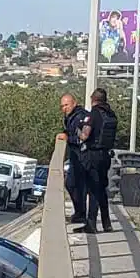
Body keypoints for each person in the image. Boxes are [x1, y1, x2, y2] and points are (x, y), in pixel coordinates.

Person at [76, 87, 118, 234]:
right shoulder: (111, 115)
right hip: (106, 156)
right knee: (101, 189)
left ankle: (91, 223)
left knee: (93, 189)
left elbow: (85, 135)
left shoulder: (93, 114)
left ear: (93, 99)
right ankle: (106, 223)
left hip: (93, 155)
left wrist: (77, 131)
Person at [58, 93, 91, 224]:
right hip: (75, 157)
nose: (64, 108)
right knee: (74, 184)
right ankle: (80, 213)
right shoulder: (70, 117)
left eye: (66, 105)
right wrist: (65, 134)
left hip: (83, 156)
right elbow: (71, 131)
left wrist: (68, 138)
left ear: (74, 103)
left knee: (75, 184)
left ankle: (81, 213)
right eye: (62, 106)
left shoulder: (81, 117)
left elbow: (84, 138)